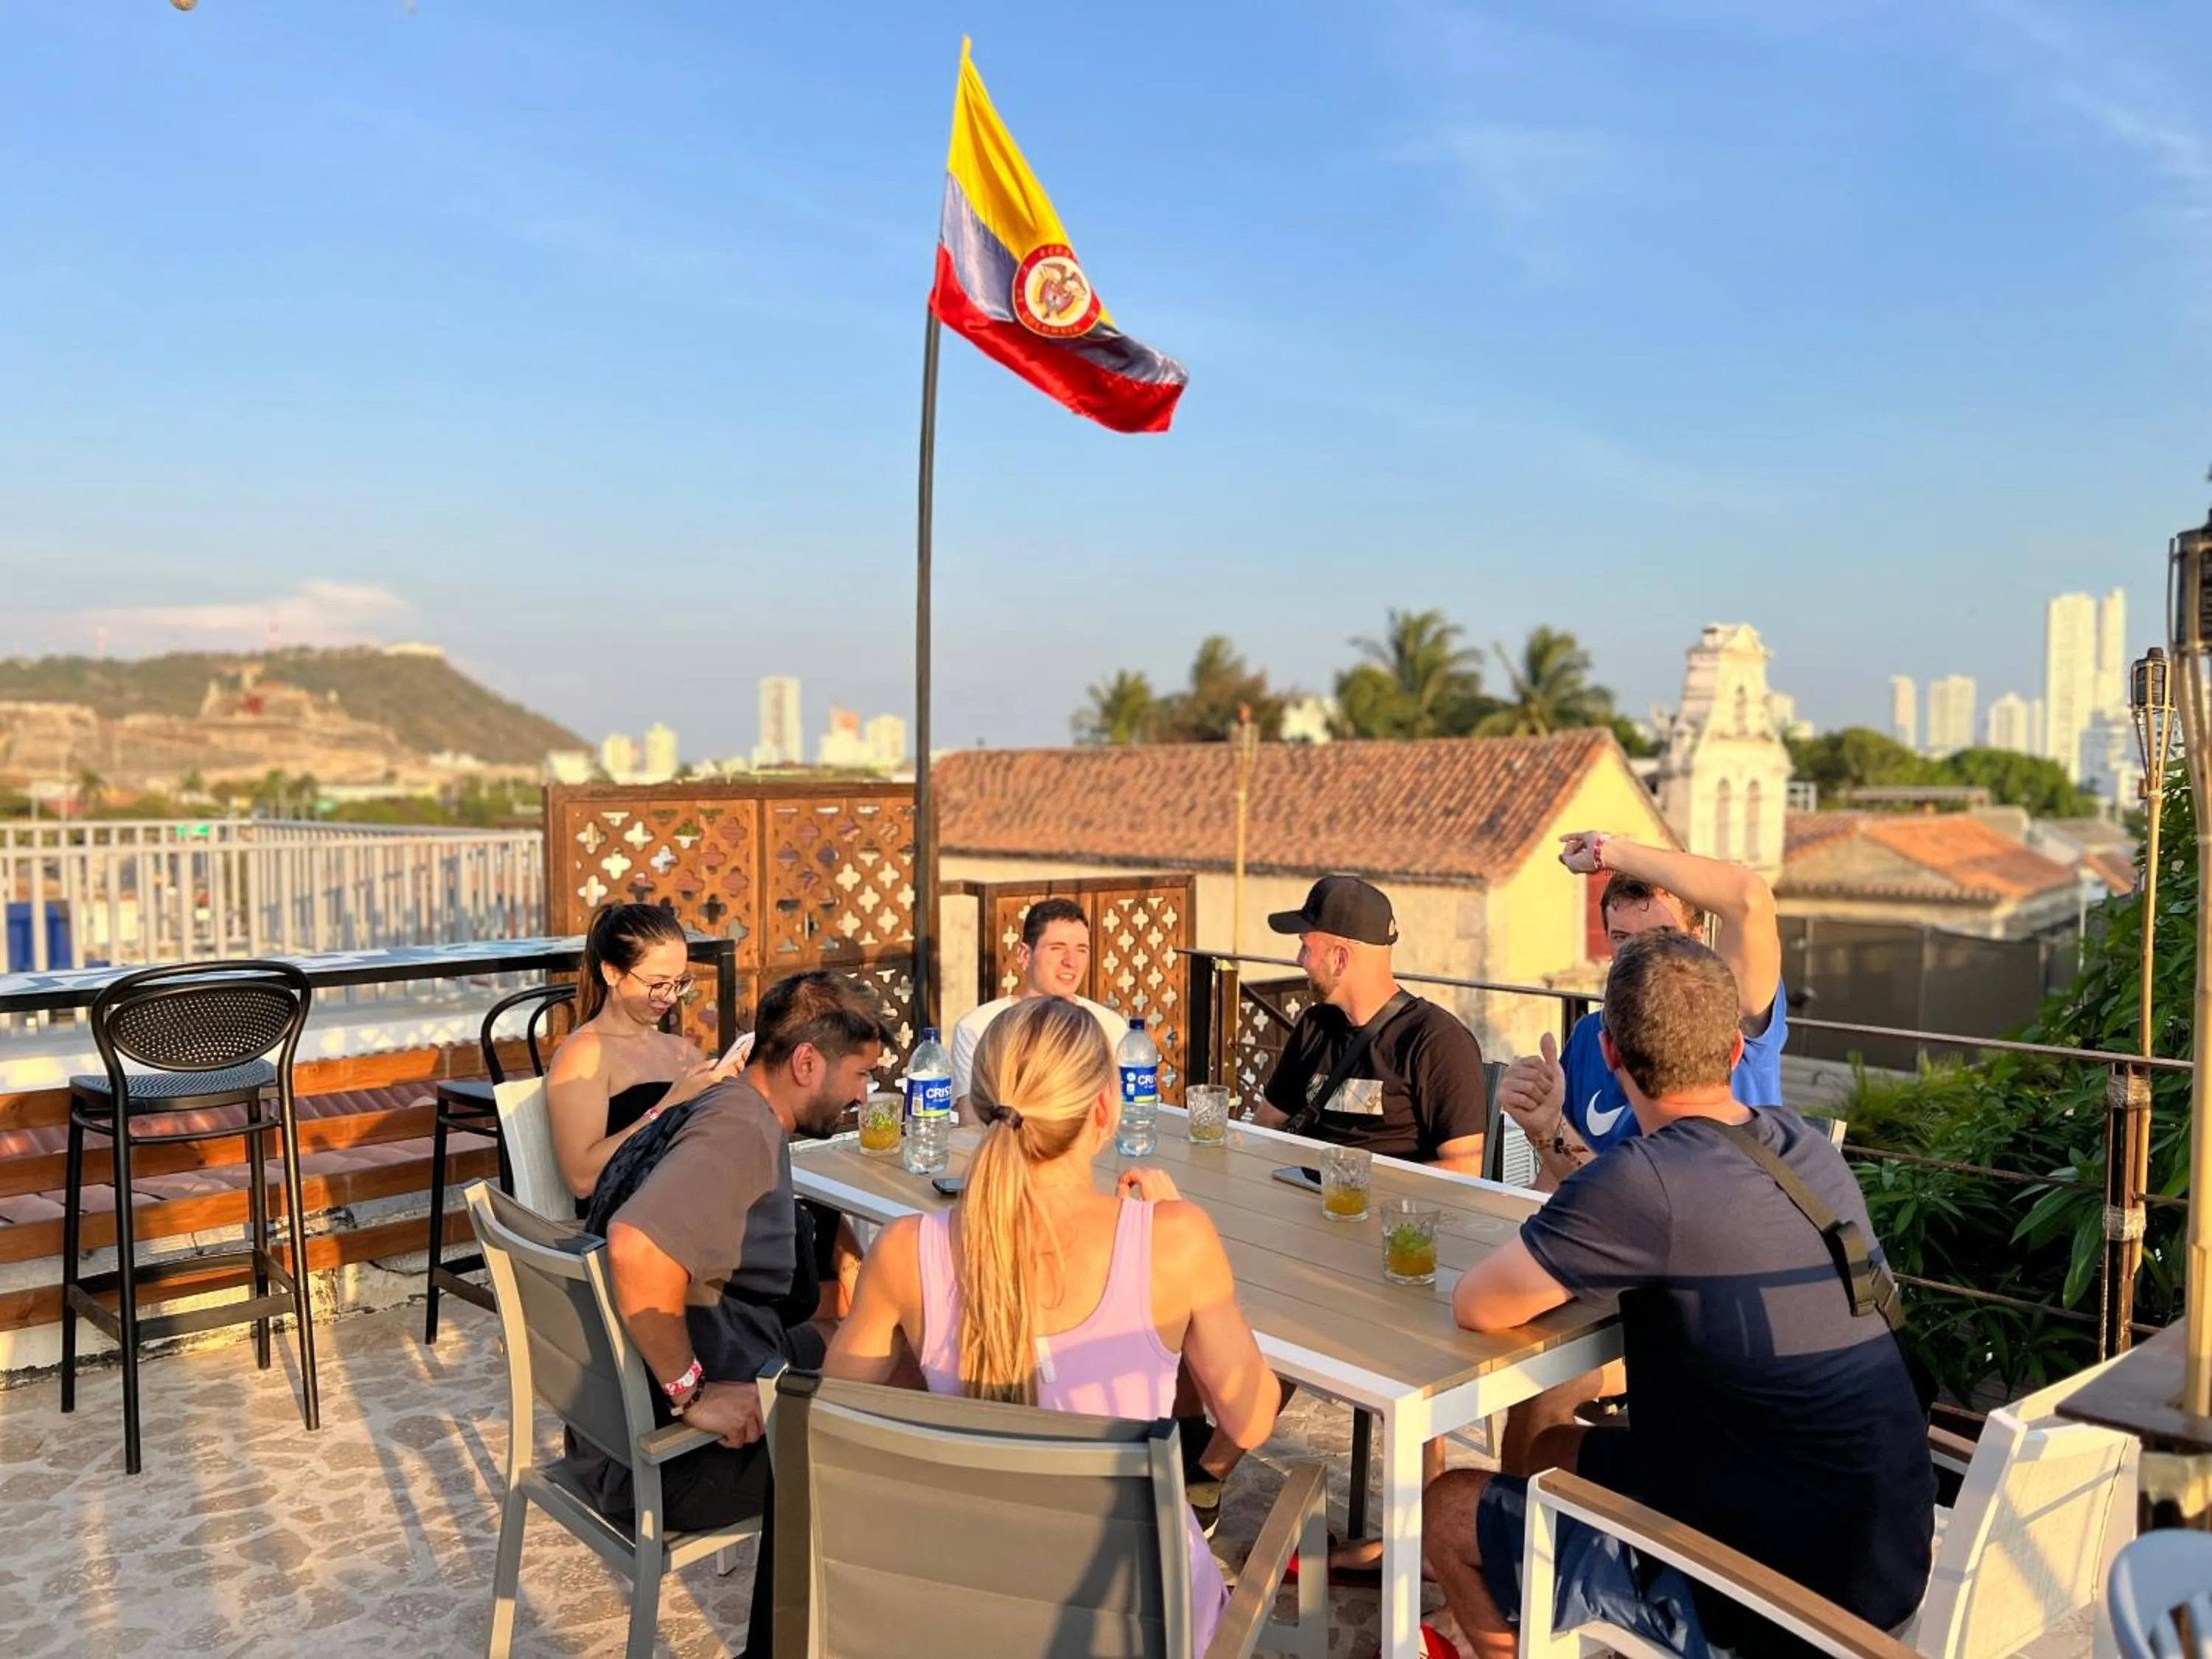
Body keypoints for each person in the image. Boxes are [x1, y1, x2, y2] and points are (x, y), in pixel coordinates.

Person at [1420, 933, 1932, 1659]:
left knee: (1447, 1511)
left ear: (1611, 1057)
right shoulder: (1799, 1145)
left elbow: (1479, 1303)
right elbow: (1653, 1209)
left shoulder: (1645, 1181)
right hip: (1879, 1550)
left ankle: (1546, 1605)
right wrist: (1553, 1135)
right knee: (1547, 1445)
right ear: (1731, 1054)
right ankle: (1543, 1595)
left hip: (1777, 1596)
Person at [826, 997, 1280, 1657]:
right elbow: (1252, 1421)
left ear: (980, 1107)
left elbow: (845, 1424)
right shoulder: (1175, 1242)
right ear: (1104, 1108)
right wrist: (1172, 1233)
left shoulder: (903, 1251)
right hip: (1137, 1616)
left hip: (972, 1610)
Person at [570, 969, 894, 1659]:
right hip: (672, 1460)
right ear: (807, 1062)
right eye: (861, 1076)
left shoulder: (716, 1104)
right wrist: (692, 1394)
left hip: (609, 1432)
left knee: (876, 1348)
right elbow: (634, 1248)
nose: (865, 1096)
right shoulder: (739, 1133)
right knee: (903, 1421)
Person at [1497, 832, 1785, 1192]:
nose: (1643, 953)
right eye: (1623, 937)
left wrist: (1607, 851)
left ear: (1699, 937)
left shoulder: (1725, 1012)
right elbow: (1565, 1186)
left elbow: (1750, 898)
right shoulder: (1591, 1036)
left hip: (1712, 1235)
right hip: (1605, 1235)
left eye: (1663, 934)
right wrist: (1546, 1127)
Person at [1256, 874, 1489, 1173]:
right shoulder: (1316, 1025)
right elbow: (1266, 1125)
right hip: (1304, 1202)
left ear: (1340, 959)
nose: (1299, 960)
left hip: (1391, 1213)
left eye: (1306, 948)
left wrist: (1356, 1184)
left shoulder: (1438, 1040)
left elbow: (1465, 1169)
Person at [545, 902, 733, 1204]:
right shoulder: (584, 1054)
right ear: (612, 973)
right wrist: (669, 1105)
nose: (670, 996)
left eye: (678, 983)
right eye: (657, 983)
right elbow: (581, 1179)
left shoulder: (679, 1049)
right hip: (631, 1217)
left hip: (690, 1198)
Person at [948, 897, 1122, 1110]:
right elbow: (971, 1119)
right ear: (1024, 955)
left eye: (1081, 950)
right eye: (1057, 948)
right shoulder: (977, 1027)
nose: (1071, 961)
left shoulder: (1110, 1027)